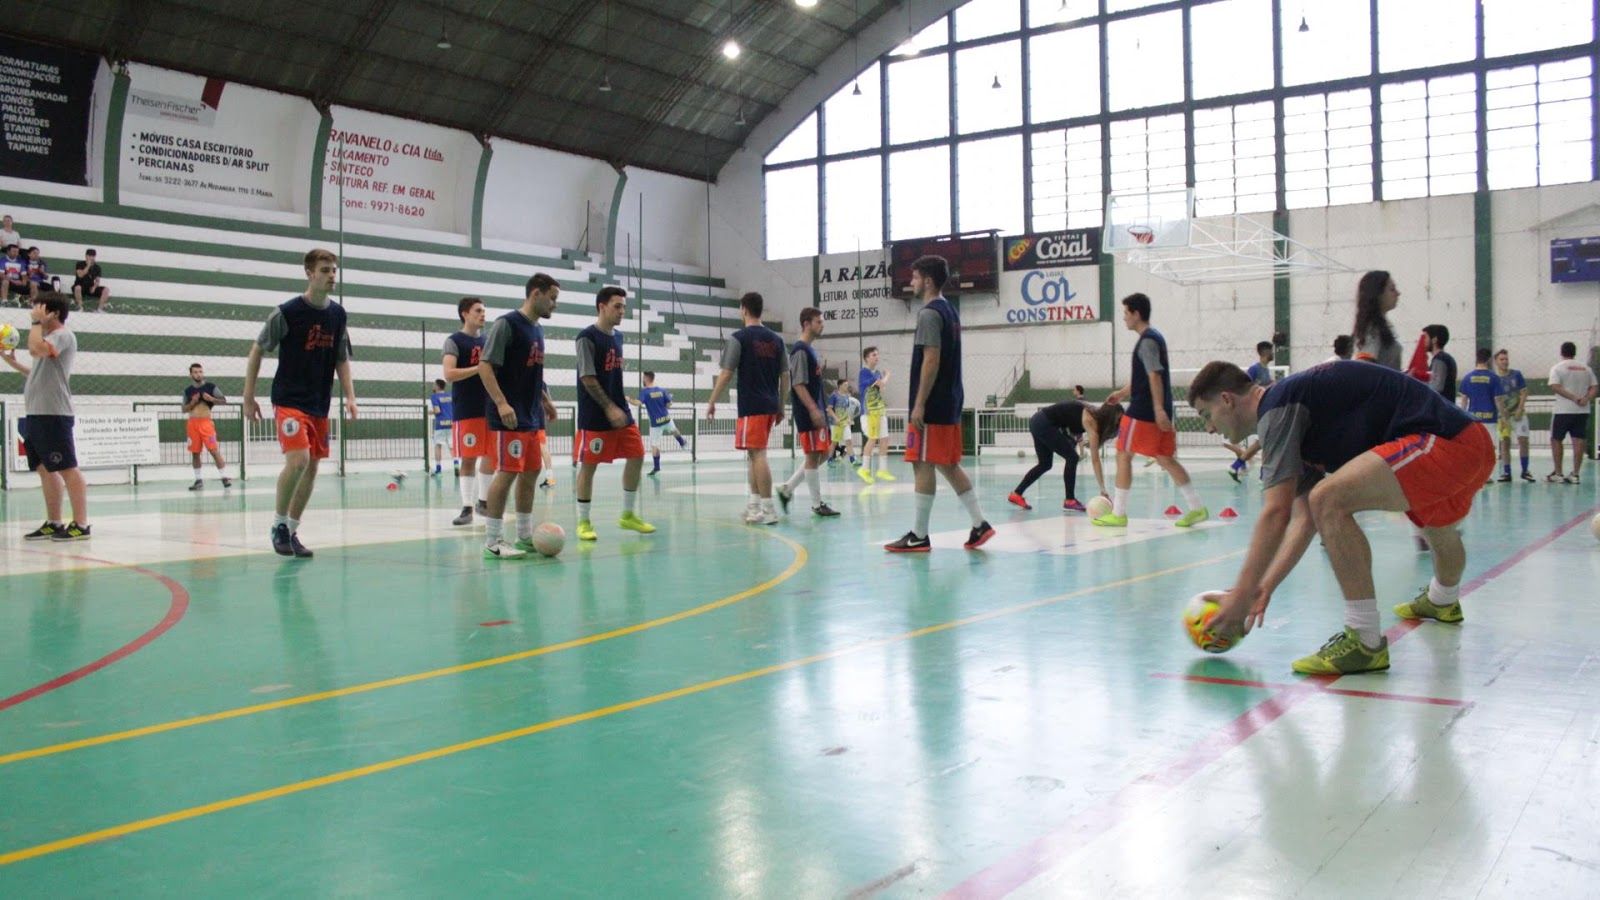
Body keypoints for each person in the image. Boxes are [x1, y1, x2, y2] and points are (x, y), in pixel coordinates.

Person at [1187, 360, 1494, 675]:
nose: (1210, 428)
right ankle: (1443, 599)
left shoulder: (1277, 408)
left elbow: (1276, 513)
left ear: (1227, 400)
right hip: (1472, 443)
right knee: (1437, 528)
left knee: (1328, 499)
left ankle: (1364, 640)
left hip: (1448, 442)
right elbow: (1305, 520)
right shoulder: (1288, 411)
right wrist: (1263, 587)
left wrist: (1240, 594)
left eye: (1206, 415)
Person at [242, 248, 356, 559]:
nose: (332, 275)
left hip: (319, 402)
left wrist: (350, 396)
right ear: (309, 273)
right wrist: (248, 396)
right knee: (299, 460)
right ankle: (278, 525)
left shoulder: (338, 314)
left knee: (313, 467)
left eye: (334, 270)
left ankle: (291, 530)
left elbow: (341, 358)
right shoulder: (287, 312)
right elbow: (257, 350)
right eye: (325, 270)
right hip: (289, 399)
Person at [885, 255, 994, 552]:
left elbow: (931, 359)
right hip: (950, 399)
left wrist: (919, 403)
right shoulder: (951, 312)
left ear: (928, 281)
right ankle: (980, 524)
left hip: (932, 404)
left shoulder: (929, 313)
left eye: (915, 277)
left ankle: (919, 535)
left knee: (921, 463)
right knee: (947, 464)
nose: (911, 282)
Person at [1091, 293, 1208, 529]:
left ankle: (1119, 513)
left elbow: (1154, 376)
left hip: (1143, 411)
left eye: (1126, 313)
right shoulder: (1156, 338)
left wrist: (1157, 409)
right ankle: (1197, 508)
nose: (1124, 318)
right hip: (1156, 409)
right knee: (1165, 459)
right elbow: (1147, 376)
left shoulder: (1147, 341)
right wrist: (1122, 393)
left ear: (1136, 314)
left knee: (1123, 454)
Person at [475, 273, 559, 559]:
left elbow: (532, 373)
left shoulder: (538, 330)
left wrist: (545, 401)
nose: (555, 304)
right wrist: (501, 403)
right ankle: (493, 541)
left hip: (531, 415)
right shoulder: (507, 324)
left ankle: (524, 536)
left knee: (531, 472)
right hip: (508, 416)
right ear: (536, 294)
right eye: (552, 298)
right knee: (508, 472)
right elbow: (485, 366)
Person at [2, 292, 91, 541]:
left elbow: (35, 349)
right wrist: (10, 361)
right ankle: (54, 522)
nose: (33, 312)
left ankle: (81, 524)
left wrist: (35, 323)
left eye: (39, 308)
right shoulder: (49, 339)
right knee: (44, 469)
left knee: (67, 468)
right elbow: (36, 371)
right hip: (37, 413)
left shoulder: (62, 335)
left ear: (53, 313)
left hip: (54, 413)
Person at [573, 286, 655, 541]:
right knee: (589, 466)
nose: (622, 311)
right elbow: (587, 377)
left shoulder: (618, 337)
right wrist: (608, 407)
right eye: (617, 306)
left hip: (621, 411)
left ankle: (628, 515)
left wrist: (617, 406)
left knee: (637, 455)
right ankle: (583, 521)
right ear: (602, 307)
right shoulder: (586, 337)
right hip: (595, 415)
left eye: (624, 307)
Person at [706, 291, 787, 525]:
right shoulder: (777, 340)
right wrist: (781, 405)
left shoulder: (739, 338)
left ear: (743, 309)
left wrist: (712, 401)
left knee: (758, 455)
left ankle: (769, 510)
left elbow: (726, 373)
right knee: (754, 454)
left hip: (752, 405)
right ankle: (754, 506)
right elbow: (785, 376)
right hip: (770, 404)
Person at [776, 307, 840, 518]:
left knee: (824, 453)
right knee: (813, 456)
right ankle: (816, 504)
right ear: (806, 324)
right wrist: (813, 409)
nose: (822, 325)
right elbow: (798, 384)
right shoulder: (800, 351)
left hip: (818, 412)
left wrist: (824, 409)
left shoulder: (810, 350)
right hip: (808, 413)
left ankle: (787, 489)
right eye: (818, 322)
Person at [1007, 399, 1123, 511]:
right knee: (1072, 458)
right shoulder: (1091, 420)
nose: (1118, 423)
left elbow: (1068, 419)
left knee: (1045, 464)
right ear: (1109, 417)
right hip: (1044, 423)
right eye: (1118, 420)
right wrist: (1103, 489)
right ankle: (1070, 500)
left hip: (1038, 421)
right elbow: (1095, 460)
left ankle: (1016, 494)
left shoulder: (1093, 413)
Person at [442, 297, 495, 525]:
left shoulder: (488, 341)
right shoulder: (454, 341)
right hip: (467, 408)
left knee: (491, 455)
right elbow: (449, 374)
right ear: (465, 314)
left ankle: (483, 501)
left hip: (490, 407)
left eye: (484, 311)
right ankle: (467, 507)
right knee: (469, 457)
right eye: (478, 311)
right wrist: (478, 368)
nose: (483, 314)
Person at [1548, 341, 1598, 484]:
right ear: (1575, 352)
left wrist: (1573, 398)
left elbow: (1555, 386)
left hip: (1563, 410)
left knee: (1556, 439)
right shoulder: (1586, 368)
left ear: (1561, 352)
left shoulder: (1557, 368)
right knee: (1578, 440)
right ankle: (1575, 474)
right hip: (1582, 410)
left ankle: (1558, 473)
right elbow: (1594, 387)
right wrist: (1586, 398)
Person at [1457, 347, 1505, 486]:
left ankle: (1473, 474)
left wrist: (1461, 417)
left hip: (1473, 419)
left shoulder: (1468, 377)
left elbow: (1464, 400)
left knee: (1474, 448)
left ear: (1476, 359)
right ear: (1489, 360)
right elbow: (1498, 400)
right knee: (1489, 448)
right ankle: (1486, 475)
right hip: (1490, 418)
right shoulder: (1494, 378)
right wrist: (1503, 417)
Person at [182, 362, 232, 490]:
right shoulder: (188, 391)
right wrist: (192, 402)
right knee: (195, 453)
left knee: (214, 450)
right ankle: (198, 480)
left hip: (206, 423)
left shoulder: (211, 387)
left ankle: (224, 477)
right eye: (195, 372)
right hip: (193, 424)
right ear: (191, 374)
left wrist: (211, 399)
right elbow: (184, 409)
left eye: (200, 372)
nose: (198, 374)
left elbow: (224, 401)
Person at [630, 371, 687, 475]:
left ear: (647, 379)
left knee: (655, 445)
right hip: (666, 419)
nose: (642, 380)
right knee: (674, 430)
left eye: (643, 378)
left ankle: (657, 467)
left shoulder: (645, 392)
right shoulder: (662, 390)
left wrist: (628, 399)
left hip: (655, 424)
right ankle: (682, 442)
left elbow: (637, 403)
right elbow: (669, 404)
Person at [1492, 349, 1533, 482]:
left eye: (1506, 359)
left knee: (1523, 440)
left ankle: (1525, 470)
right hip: (1503, 416)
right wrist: (1502, 414)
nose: (1505, 361)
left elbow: (1524, 393)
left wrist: (1520, 409)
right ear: (1496, 362)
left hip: (1518, 414)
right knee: (1504, 442)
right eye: (1502, 359)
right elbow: (1495, 398)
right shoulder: (1494, 378)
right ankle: (1506, 472)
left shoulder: (1516, 374)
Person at [856, 346, 895, 483]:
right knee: (872, 439)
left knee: (885, 439)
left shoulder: (877, 372)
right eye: (874, 355)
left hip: (879, 410)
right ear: (867, 358)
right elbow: (881, 383)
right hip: (869, 412)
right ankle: (864, 469)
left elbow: (881, 387)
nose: (877, 357)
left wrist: (883, 380)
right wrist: (887, 376)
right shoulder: (864, 373)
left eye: (877, 354)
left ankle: (882, 470)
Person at [1351, 270, 1402, 369]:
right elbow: (1363, 367)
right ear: (1378, 294)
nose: (1398, 293)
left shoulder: (1380, 326)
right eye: (1392, 289)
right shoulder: (1372, 329)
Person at [827, 379, 861, 467]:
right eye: (845, 385)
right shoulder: (834, 396)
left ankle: (853, 460)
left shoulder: (846, 397)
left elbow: (846, 409)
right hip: (836, 424)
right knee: (834, 443)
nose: (847, 386)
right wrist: (836, 418)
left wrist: (849, 418)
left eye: (847, 385)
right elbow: (829, 409)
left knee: (849, 441)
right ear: (840, 385)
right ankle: (829, 459)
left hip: (845, 423)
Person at [1423, 324, 1457, 403]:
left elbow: (1437, 386)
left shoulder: (1439, 359)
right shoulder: (1446, 358)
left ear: (1434, 340)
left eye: (1425, 337)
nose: (1423, 341)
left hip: (1441, 407)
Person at [428, 378, 455, 476]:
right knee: (452, 446)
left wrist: (429, 412)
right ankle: (456, 465)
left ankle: (438, 469)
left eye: (434, 384)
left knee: (438, 446)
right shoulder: (450, 395)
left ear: (437, 386)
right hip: (452, 423)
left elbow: (437, 410)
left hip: (441, 424)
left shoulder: (434, 397)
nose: (432, 386)